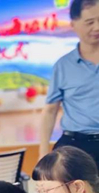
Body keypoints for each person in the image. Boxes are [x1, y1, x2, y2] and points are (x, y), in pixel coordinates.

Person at [40, 0, 99, 166]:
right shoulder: (63, 66)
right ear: (74, 24)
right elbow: (50, 111)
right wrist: (43, 153)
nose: (97, 27)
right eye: (90, 22)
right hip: (75, 146)